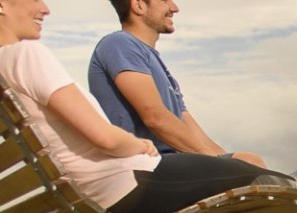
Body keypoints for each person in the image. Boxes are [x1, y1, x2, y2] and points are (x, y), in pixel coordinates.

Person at [0, 0, 297, 213]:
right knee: (249, 173)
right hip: (122, 186)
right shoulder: (27, 55)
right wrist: (138, 144)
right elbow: (104, 137)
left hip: (70, 196)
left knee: (244, 169)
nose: (46, 8)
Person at [86, 0, 266, 168]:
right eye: (165, 0)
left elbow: (190, 128)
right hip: (143, 165)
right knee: (247, 163)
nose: (174, 8)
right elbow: (155, 117)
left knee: (246, 161)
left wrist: (226, 160)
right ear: (139, 6)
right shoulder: (120, 44)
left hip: (171, 161)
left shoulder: (154, 62)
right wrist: (219, 164)